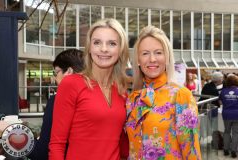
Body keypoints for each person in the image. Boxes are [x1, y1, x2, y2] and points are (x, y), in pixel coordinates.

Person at [49, 18, 129, 160]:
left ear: (120, 49)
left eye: (112, 43)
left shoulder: (121, 91)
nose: (104, 49)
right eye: (97, 42)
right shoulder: (71, 84)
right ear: (89, 48)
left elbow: (123, 145)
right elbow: (57, 144)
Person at [125, 26, 201, 159]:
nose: (152, 59)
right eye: (145, 53)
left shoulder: (181, 96)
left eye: (158, 52)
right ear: (138, 60)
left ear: (167, 57)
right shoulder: (133, 98)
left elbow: (191, 151)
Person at [27, 49, 84, 160]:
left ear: (69, 71)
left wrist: (12, 131)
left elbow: (42, 152)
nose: (55, 78)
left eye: (56, 72)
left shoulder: (58, 100)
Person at [219, 74, 238, 158]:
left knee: (226, 131)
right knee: (235, 133)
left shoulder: (223, 91)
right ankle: (233, 150)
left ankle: (226, 149)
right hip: (236, 114)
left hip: (226, 113)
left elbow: (220, 102)